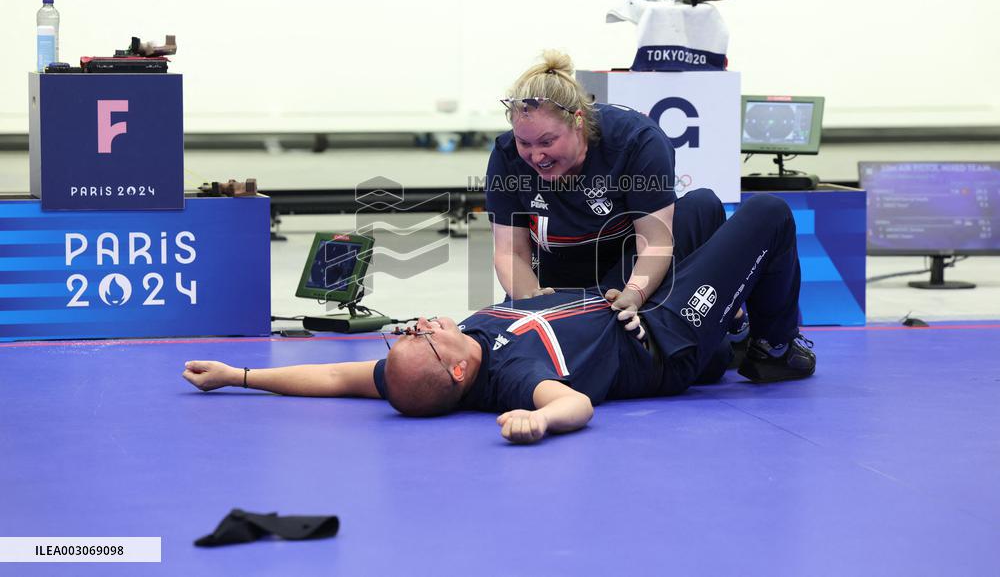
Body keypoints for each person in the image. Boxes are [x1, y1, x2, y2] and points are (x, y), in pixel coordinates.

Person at [185, 194, 813, 444]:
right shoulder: (511, 378)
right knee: (767, 214)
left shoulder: (456, 352)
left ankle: (730, 334)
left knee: (696, 208)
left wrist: (240, 376)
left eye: (409, 334)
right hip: (664, 338)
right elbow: (575, 406)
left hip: (624, 298)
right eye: (425, 338)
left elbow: (335, 377)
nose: (421, 326)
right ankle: (772, 351)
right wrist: (538, 421)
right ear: (459, 372)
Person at [487, 50, 684, 328]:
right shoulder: (506, 156)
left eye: (547, 142)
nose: (536, 156)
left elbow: (654, 242)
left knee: (700, 207)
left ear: (578, 120)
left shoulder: (638, 142)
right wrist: (534, 305)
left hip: (623, 270)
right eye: (524, 143)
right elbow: (511, 252)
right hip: (552, 279)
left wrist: (634, 295)